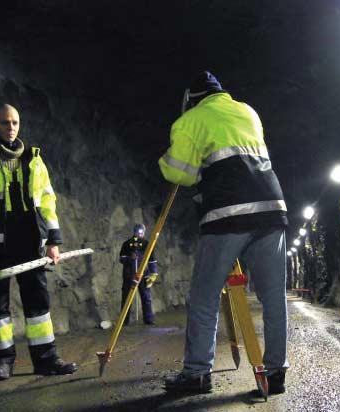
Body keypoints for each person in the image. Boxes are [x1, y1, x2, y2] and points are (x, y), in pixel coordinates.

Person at [159, 71, 289, 395]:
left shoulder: (190, 120)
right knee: (273, 296)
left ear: (191, 98)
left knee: (204, 296)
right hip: (271, 207)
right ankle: (276, 374)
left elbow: (180, 172)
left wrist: (166, 160)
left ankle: (197, 374)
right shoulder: (248, 111)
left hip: (226, 214)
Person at [0, 103, 77, 380]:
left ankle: (46, 359)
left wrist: (52, 241)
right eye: (5, 122)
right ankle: (3, 362)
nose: (11, 128)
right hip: (0, 243)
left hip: (30, 240)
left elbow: (47, 202)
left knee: (38, 303)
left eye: (15, 123)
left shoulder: (33, 159)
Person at [119, 223, 159, 325]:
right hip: (129, 275)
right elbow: (121, 258)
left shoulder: (147, 244)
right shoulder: (127, 244)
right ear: (135, 232)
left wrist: (153, 273)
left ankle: (148, 319)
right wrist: (129, 258)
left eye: (141, 233)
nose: (140, 235)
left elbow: (152, 260)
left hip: (143, 274)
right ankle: (124, 320)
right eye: (138, 232)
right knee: (127, 297)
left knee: (146, 297)